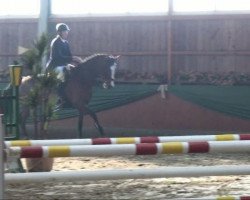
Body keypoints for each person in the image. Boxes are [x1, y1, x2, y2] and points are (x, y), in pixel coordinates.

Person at [46, 23, 83, 108]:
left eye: (67, 31)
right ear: (59, 32)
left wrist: (76, 60)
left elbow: (69, 55)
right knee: (62, 77)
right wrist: (73, 58)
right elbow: (58, 57)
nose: (66, 33)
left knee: (75, 71)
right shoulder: (55, 42)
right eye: (64, 31)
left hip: (63, 65)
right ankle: (60, 99)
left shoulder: (66, 43)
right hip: (55, 66)